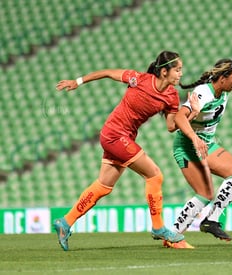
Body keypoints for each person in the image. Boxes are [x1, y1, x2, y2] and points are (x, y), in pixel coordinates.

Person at [53, 50, 199, 251]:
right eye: (178, 70)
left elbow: (171, 126)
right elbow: (106, 72)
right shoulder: (138, 79)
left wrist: (191, 111)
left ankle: (65, 222)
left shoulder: (172, 96)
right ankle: (158, 228)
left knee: (104, 186)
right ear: (164, 71)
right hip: (114, 134)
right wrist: (77, 82)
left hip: (121, 137)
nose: (181, 74)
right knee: (155, 176)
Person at [165, 59, 232, 248]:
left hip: (207, 145)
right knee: (204, 194)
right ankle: (173, 233)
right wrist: (195, 139)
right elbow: (179, 117)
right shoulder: (204, 93)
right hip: (188, 146)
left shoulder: (224, 87)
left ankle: (211, 220)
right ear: (222, 79)